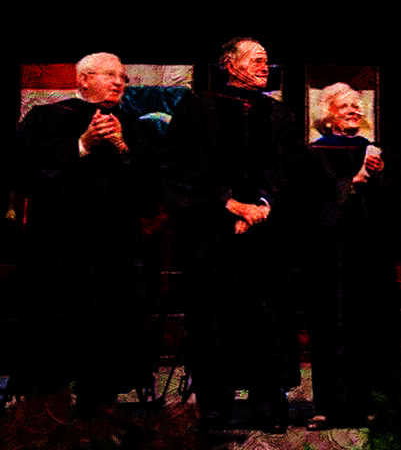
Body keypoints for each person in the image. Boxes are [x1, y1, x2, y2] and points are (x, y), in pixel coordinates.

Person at [163, 38, 302, 431]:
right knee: (213, 321)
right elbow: (179, 169)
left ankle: (268, 404)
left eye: (266, 60)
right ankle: (215, 406)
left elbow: (291, 170)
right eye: (255, 59)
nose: (264, 65)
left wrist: (263, 204)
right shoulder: (196, 108)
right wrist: (229, 204)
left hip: (267, 237)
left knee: (269, 321)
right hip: (212, 236)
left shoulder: (279, 114)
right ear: (229, 63)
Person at [15, 52, 154, 416]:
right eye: (110, 75)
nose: (119, 82)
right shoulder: (45, 118)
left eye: (123, 76)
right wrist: (82, 146)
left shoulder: (134, 125)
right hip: (58, 247)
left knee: (108, 331)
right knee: (55, 329)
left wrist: (123, 148)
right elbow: (24, 176)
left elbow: (151, 190)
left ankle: (101, 405)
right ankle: (49, 406)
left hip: (115, 249)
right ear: (83, 80)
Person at [303, 82, 396, 428]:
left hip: (368, 250)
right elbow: (314, 202)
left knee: (368, 323)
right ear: (328, 115)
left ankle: (368, 403)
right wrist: (354, 180)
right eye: (345, 106)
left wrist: (380, 175)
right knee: (330, 324)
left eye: (357, 105)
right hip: (329, 252)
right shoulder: (314, 153)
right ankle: (327, 406)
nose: (354, 110)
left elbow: (386, 203)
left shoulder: (372, 149)